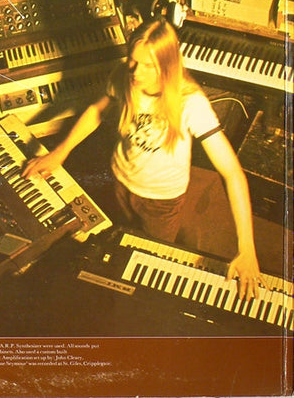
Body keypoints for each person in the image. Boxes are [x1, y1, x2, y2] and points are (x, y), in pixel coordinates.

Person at [22, 17, 263, 300]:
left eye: (148, 65)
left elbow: (232, 173)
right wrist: (60, 152)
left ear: (167, 65)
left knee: (149, 262)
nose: (136, 72)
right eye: (133, 61)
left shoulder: (191, 102)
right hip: (120, 181)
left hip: (161, 202)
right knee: (110, 244)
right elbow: (97, 110)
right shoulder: (124, 75)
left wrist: (247, 248)